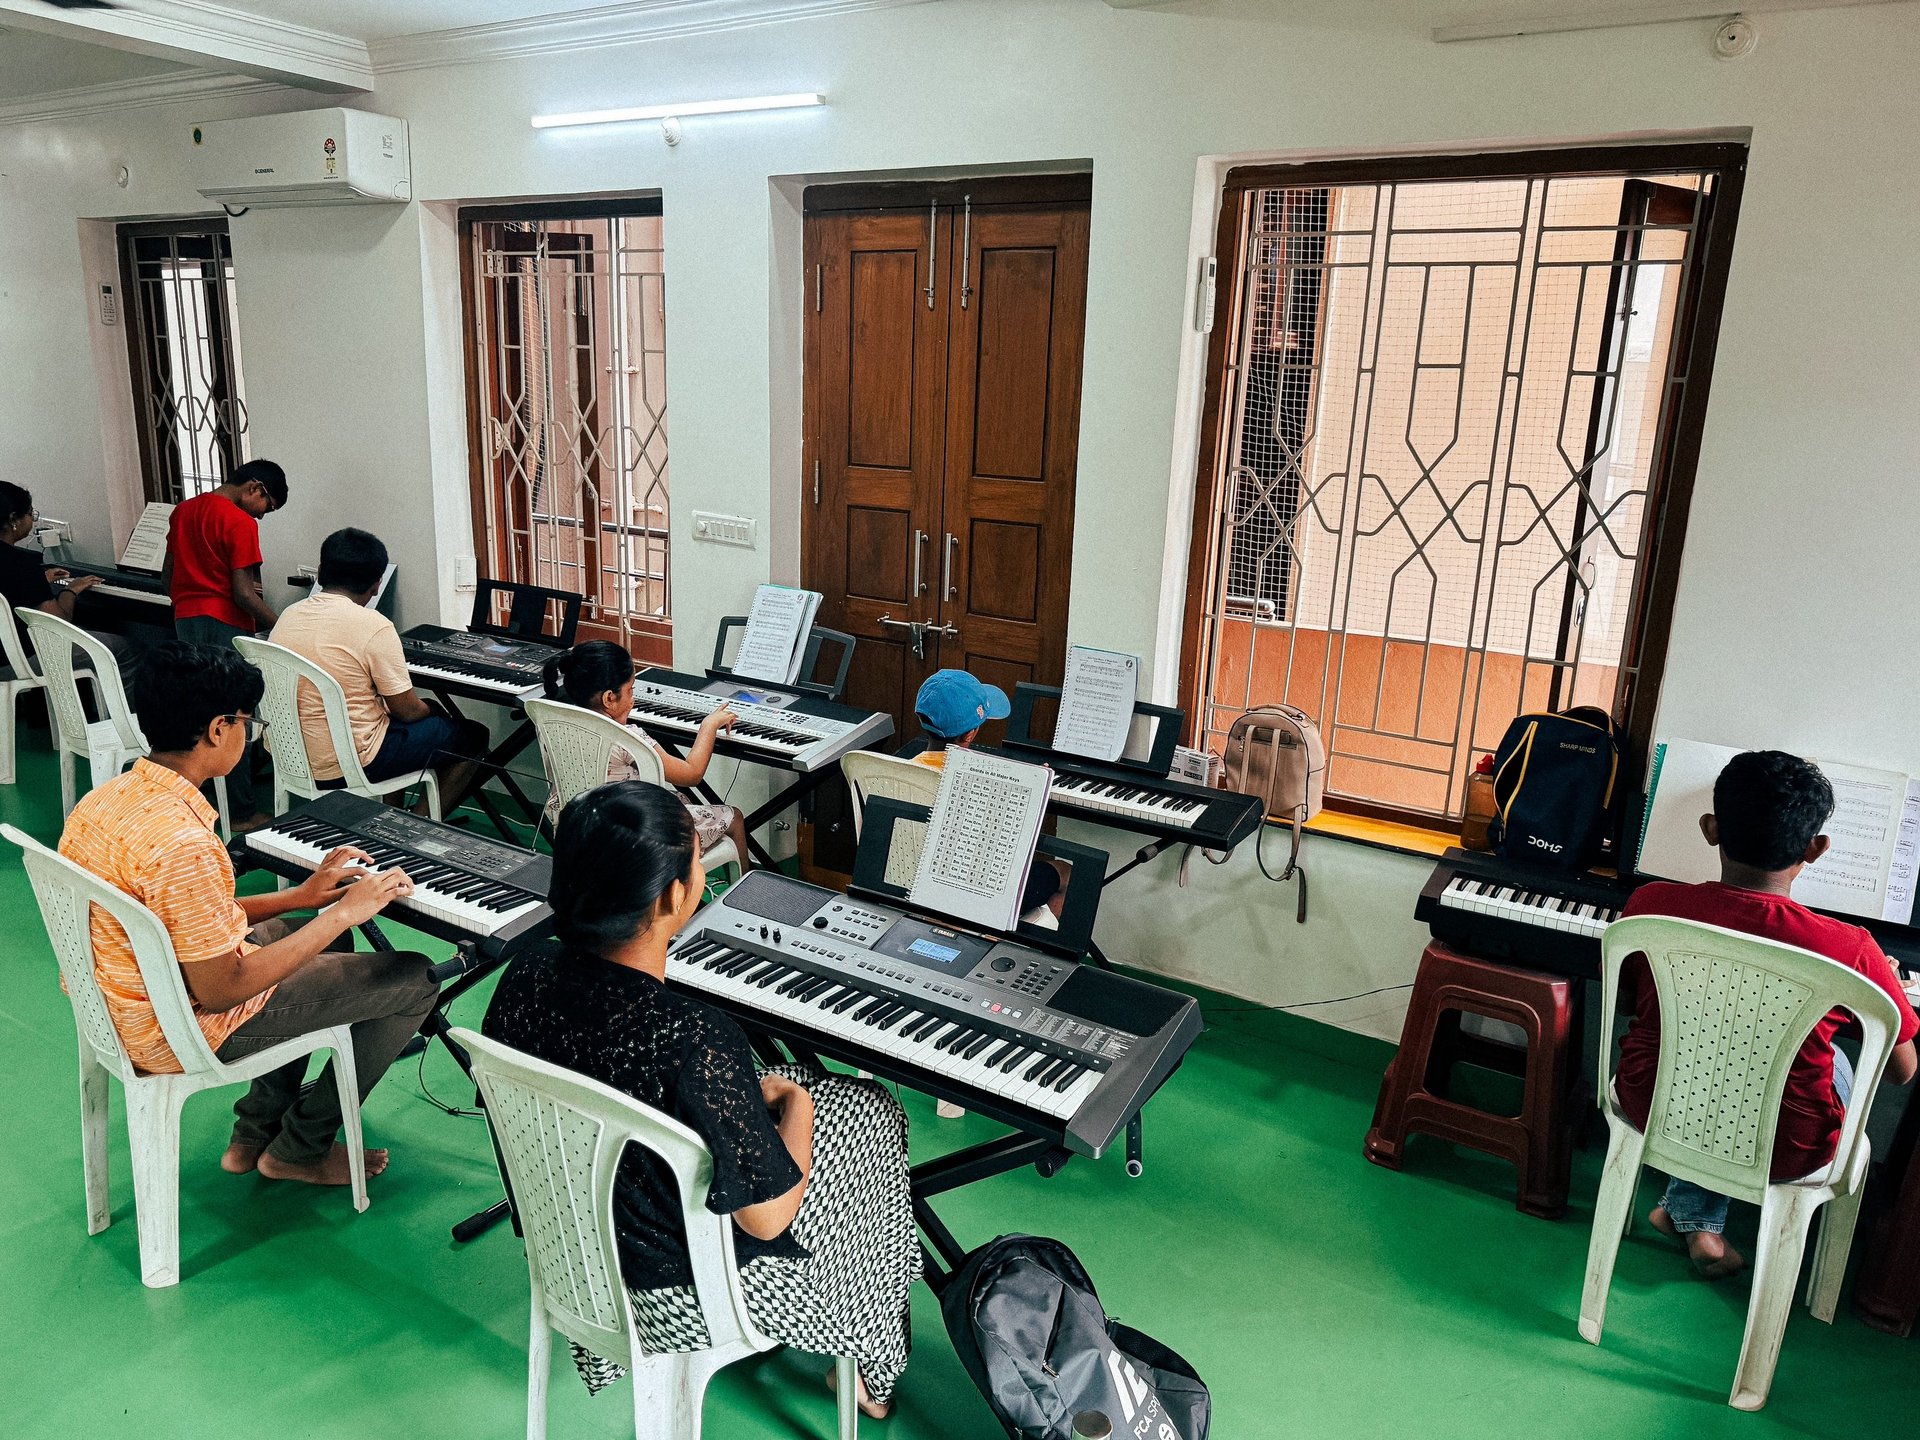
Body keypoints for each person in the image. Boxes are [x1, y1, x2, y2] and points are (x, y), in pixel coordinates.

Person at [482, 782, 918, 1417]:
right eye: (695, 860)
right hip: (677, 1288)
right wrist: (796, 1104)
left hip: (573, 1249)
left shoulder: (521, 977)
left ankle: (872, 1352)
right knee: (869, 1114)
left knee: (844, 1104)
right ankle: (869, 1361)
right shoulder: (695, 1036)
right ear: (672, 896)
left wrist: (736, 1092)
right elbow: (767, 1220)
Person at [59, 640, 438, 1187]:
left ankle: (254, 1131)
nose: (251, 733)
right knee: (416, 978)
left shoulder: (108, 800)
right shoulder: (183, 842)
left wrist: (301, 898)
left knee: (313, 938)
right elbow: (221, 988)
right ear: (219, 728)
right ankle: (302, 1149)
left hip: (120, 1002)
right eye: (247, 722)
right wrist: (342, 914)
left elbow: (184, 916)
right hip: (176, 1027)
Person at [1615, 750, 1919, 1278]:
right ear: (1817, 848)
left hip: (1653, 1102)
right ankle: (1694, 1218)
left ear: (1711, 829)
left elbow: (1632, 998)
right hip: (1789, 1146)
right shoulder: (1850, 948)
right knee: (1835, 1066)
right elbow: (1901, 1071)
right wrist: (1882, 982)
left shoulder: (1649, 903)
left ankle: (1690, 1213)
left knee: (1716, 1050)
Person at [270, 527, 487, 813]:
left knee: (389, 724)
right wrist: (430, 709)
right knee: (472, 736)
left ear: (321, 572)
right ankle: (416, 823)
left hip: (290, 755)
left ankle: (390, 818)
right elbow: (406, 711)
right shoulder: (374, 625)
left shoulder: (290, 615)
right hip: (353, 764)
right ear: (376, 585)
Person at [539, 639, 751, 867]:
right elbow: (691, 775)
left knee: (677, 798)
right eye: (630, 691)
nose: (633, 699)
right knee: (734, 816)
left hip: (577, 827)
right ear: (609, 698)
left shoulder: (553, 722)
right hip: (634, 838)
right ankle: (744, 897)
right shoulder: (627, 737)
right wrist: (709, 725)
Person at [165, 459, 288, 826]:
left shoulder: (184, 510)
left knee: (200, 712)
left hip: (186, 620)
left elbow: (167, 575)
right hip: (226, 625)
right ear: (254, 488)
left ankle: (199, 803)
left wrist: (190, 602)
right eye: (269, 506)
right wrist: (283, 627)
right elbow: (243, 595)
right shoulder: (240, 521)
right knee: (234, 719)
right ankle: (241, 811)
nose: (264, 516)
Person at [901, 667, 1066, 920]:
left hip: (905, 882)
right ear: (970, 734)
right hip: (972, 897)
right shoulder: (980, 784)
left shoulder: (901, 770)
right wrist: (1035, 785)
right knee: (1065, 872)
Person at [0, 480, 143, 686]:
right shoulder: (22, 565)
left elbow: (12, 588)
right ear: (14, 519)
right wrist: (71, 590)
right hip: (18, 661)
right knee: (128, 649)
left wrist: (39, 581)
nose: (32, 520)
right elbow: (58, 623)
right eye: (30, 514)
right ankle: (121, 717)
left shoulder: (23, 570)